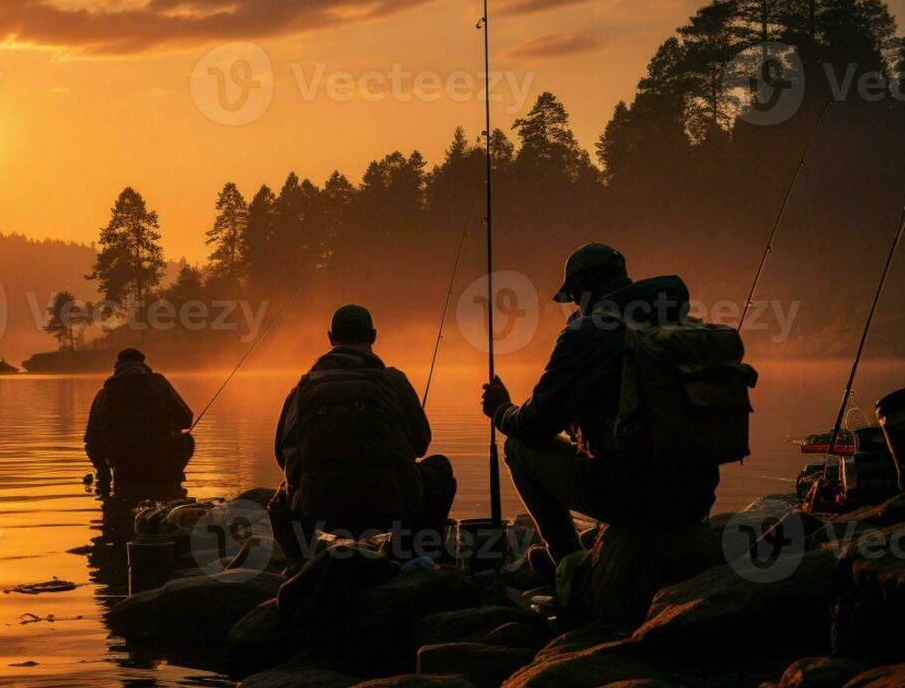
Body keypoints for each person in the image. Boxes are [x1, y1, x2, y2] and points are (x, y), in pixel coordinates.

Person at [481, 243, 731, 583]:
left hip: (630, 496)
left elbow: (536, 423)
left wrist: (501, 411)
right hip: (696, 496)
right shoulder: (678, 324)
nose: (574, 306)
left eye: (572, 296)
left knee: (517, 448)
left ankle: (571, 567)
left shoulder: (587, 334)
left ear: (583, 287)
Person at [274, 304, 456, 549]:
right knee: (441, 469)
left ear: (330, 338)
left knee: (278, 500)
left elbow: (281, 454)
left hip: (322, 514)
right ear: (373, 336)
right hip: (389, 508)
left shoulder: (303, 387)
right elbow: (420, 446)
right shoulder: (394, 380)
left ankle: (303, 560)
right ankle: (415, 554)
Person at [85, 348, 195, 497]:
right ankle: (173, 482)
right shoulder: (158, 383)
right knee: (187, 439)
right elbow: (186, 420)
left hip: (124, 468)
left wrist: (104, 475)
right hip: (163, 461)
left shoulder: (104, 394)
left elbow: (91, 442)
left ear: (116, 367)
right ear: (143, 365)